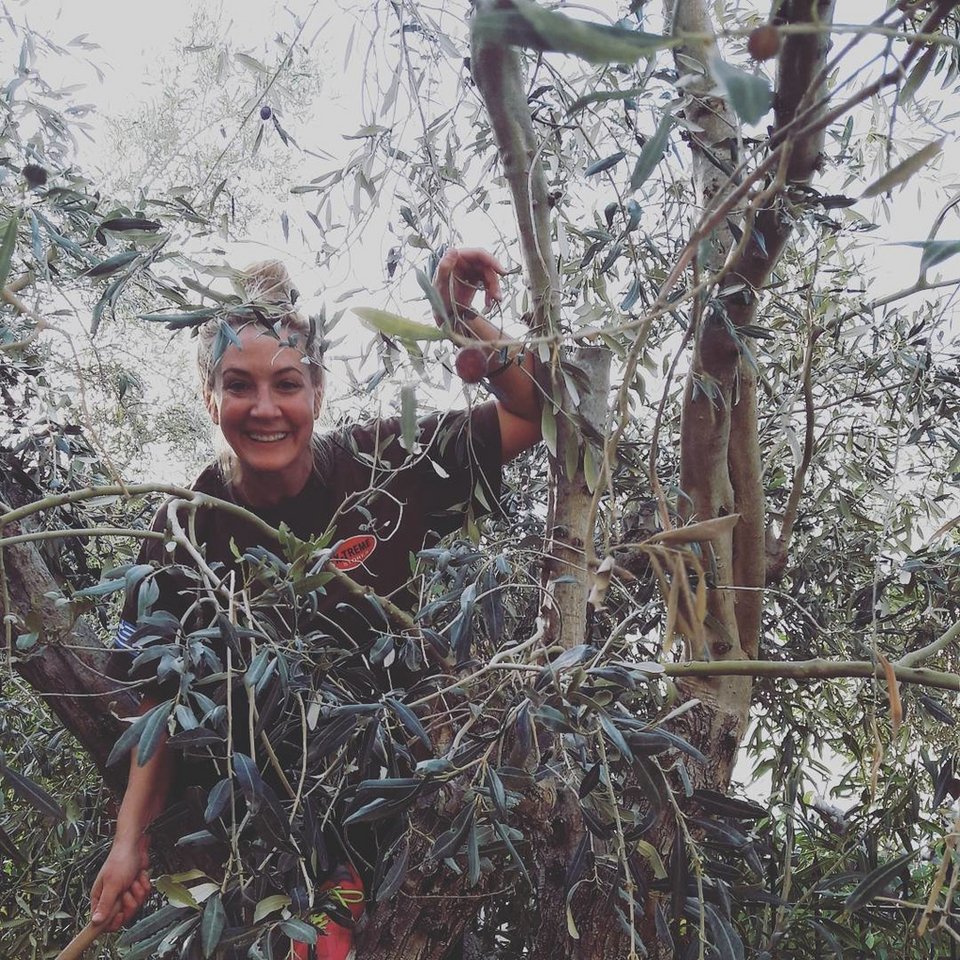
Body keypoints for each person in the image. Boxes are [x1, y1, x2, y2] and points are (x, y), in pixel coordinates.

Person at [90, 249, 541, 958]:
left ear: (318, 391)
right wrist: (129, 843)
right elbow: (159, 705)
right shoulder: (185, 530)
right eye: (239, 385)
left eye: (287, 384)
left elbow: (532, 411)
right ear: (209, 398)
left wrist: (461, 319)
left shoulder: (387, 464)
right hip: (262, 836)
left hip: (406, 813)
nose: (265, 408)